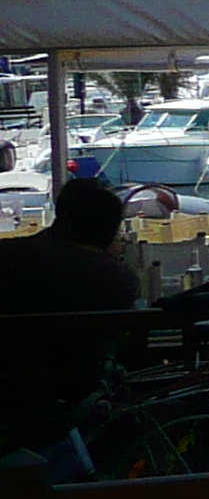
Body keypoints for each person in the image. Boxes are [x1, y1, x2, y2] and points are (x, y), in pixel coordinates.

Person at [0, 176, 141, 441]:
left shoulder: (7, 256)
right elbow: (126, 340)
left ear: (61, 216)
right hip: (76, 392)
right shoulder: (116, 279)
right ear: (112, 230)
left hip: (8, 388)